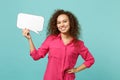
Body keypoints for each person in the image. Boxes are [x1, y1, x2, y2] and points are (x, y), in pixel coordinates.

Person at [22, 9, 95, 80]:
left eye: (65, 21)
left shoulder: (78, 44)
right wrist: (29, 39)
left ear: (71, 23)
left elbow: (90, 60)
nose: (62, 25)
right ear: (56, 25)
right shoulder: (51, 40)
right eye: (59, 23)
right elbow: (36, 56)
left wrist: (77, 69)